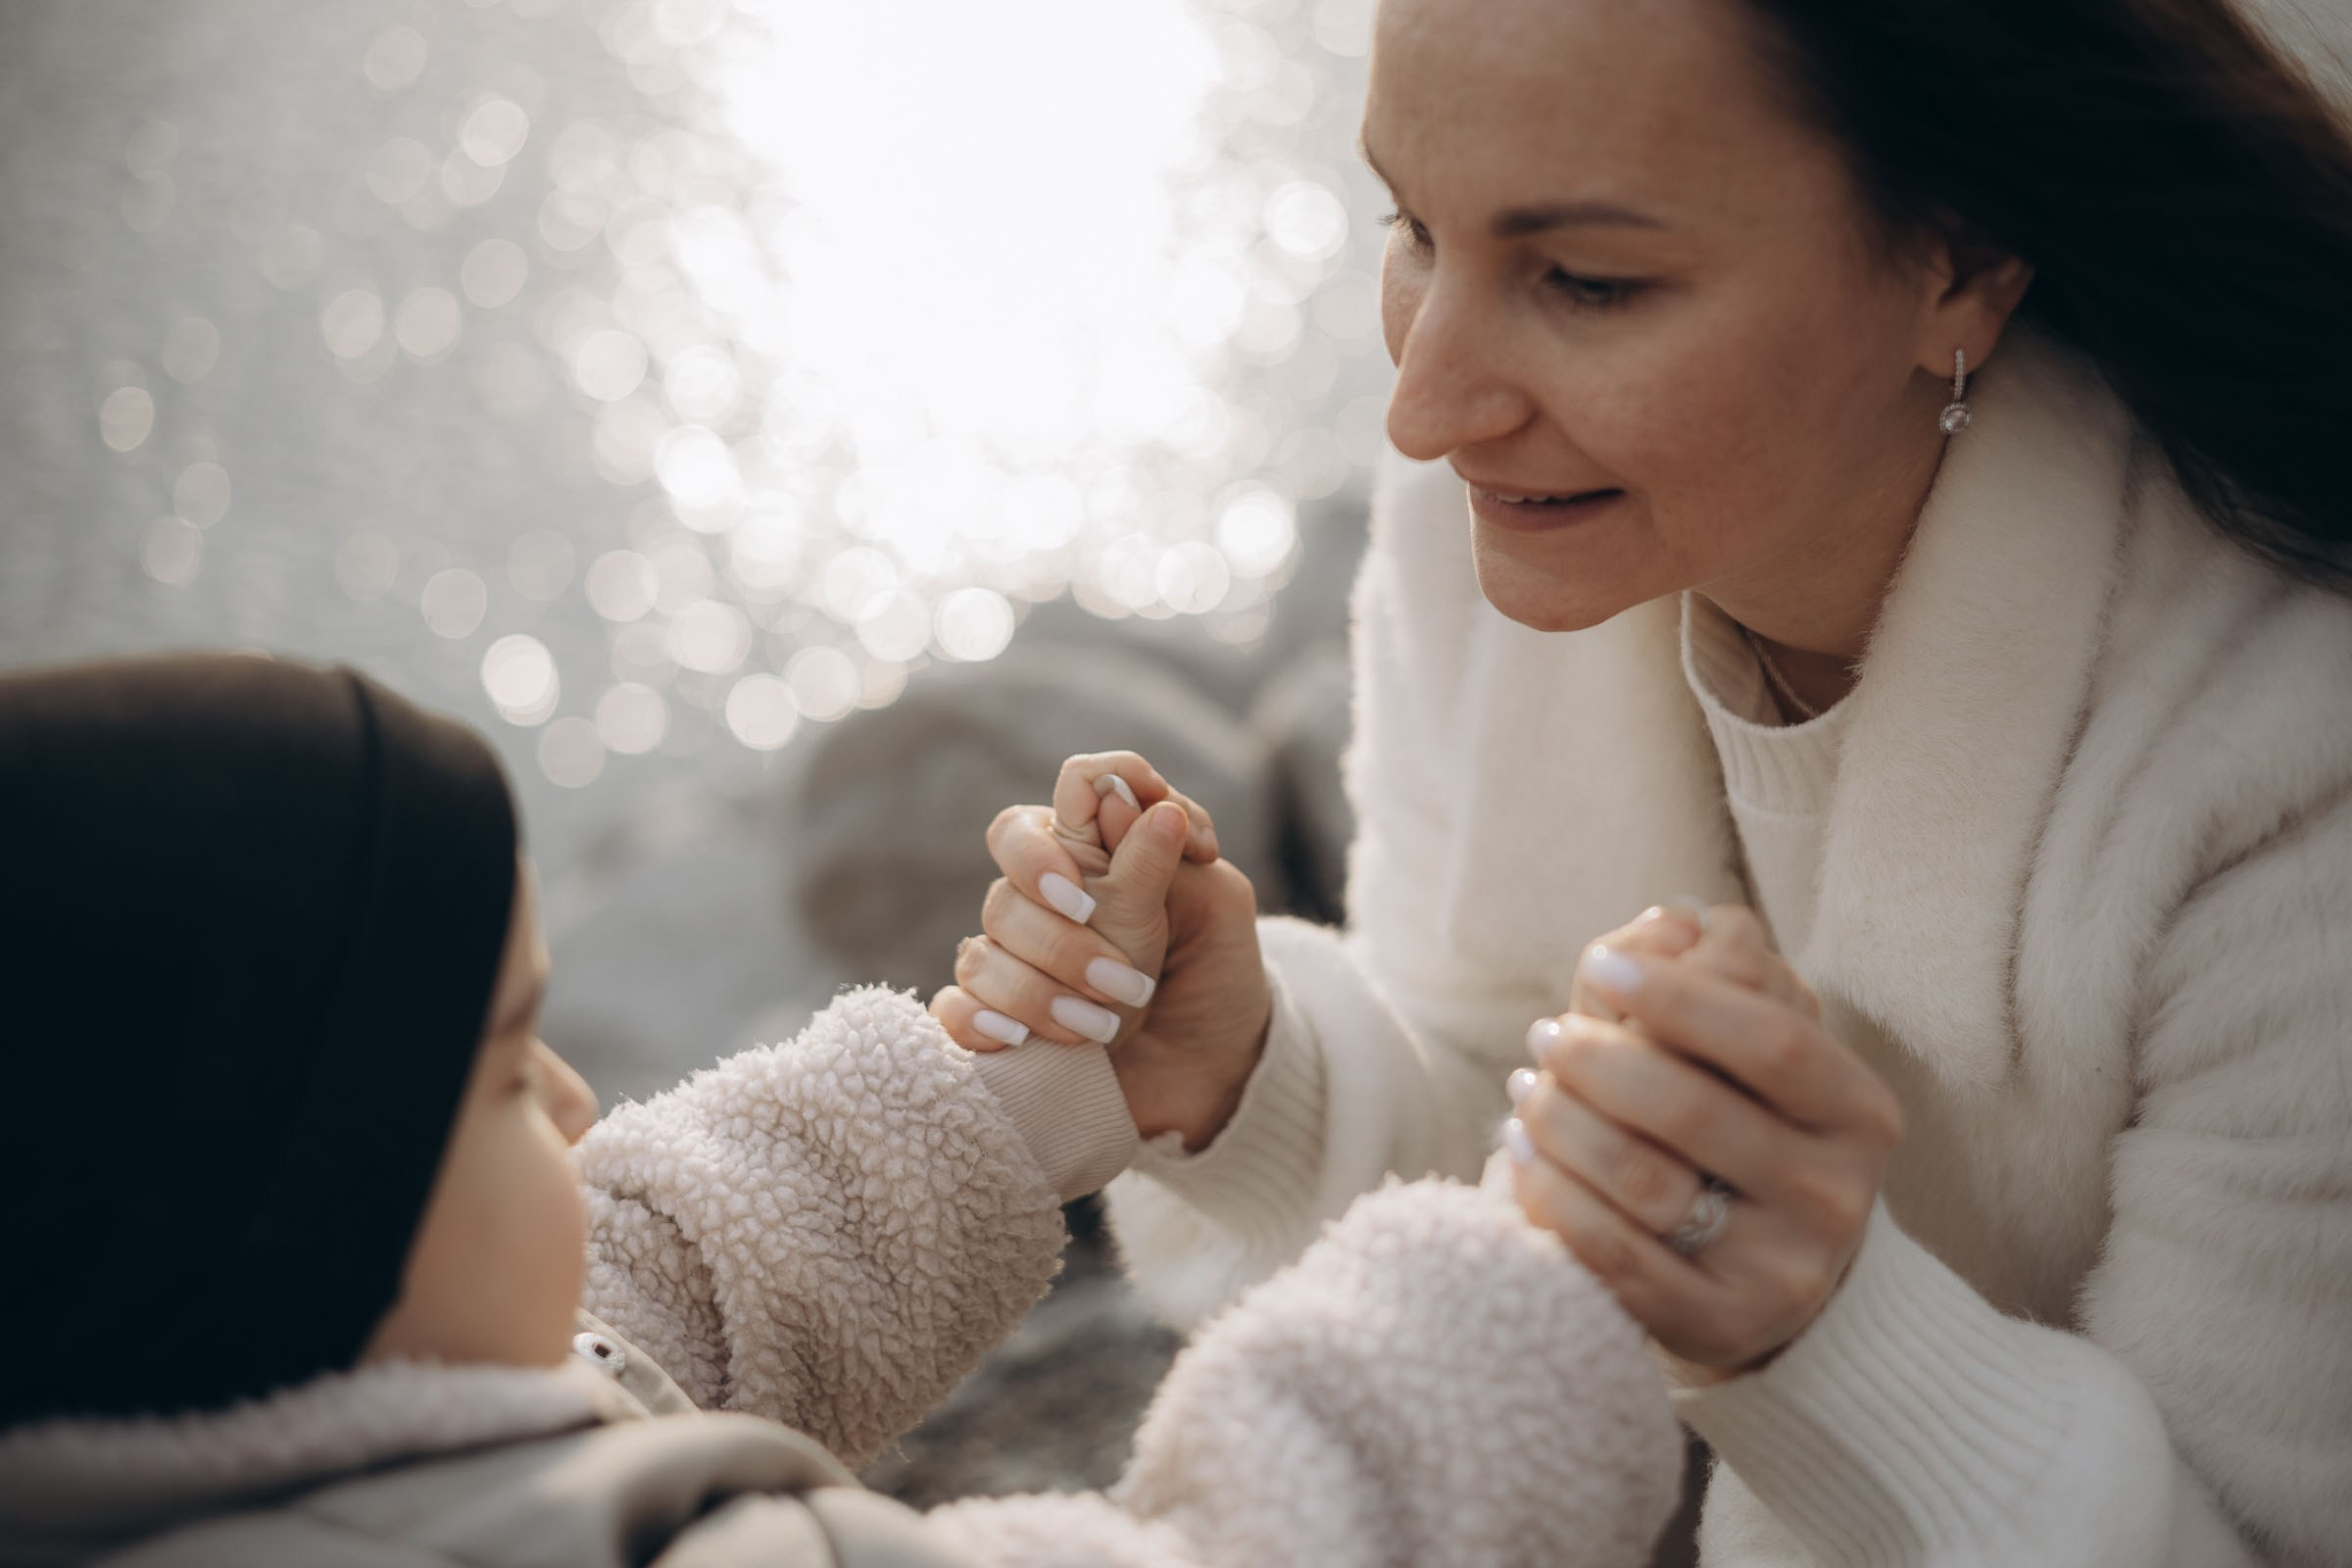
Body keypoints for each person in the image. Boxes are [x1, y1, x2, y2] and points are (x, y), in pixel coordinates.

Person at [933, 0, 2352, 1563]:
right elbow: (1502, 1107)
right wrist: (1254, 1077)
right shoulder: (1507, 524)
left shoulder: (2296, 753)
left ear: (1957, 257)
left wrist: (1831, 1339)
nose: (1424, 407)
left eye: (1589, 281)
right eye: (1412, 226)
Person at [0, 653, 1682, 1568]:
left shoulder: (153, 1414)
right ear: (300, 1213)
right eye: (513, 1064)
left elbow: (655, 1286)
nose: (582, 1101)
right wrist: (1533, 1284)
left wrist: (1046, 1091)